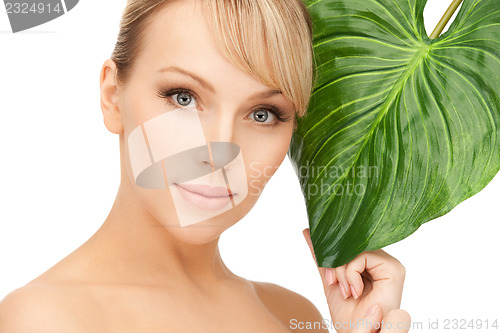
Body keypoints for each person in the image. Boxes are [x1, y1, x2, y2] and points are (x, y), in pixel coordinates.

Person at [0, 0, 410, 331]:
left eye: (264, 113)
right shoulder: (45, 318)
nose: (221, 150)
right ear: (112, 96)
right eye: (183, 97)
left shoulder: (290, 316)